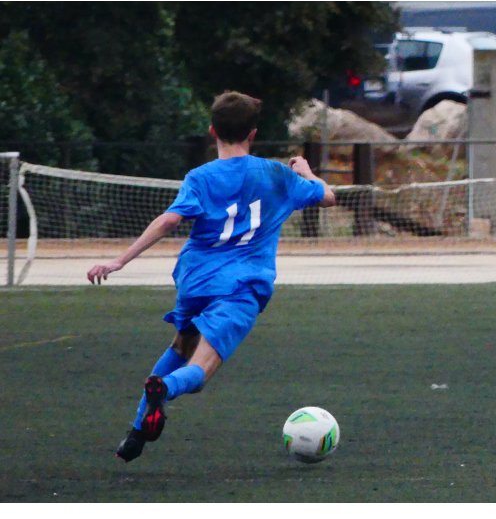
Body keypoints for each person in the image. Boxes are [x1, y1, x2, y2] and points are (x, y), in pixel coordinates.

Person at [87, 91, 336, 462]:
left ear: (211, 131)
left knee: (180, 346)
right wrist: (306, 172)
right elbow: (328, 196)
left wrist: (120, 261)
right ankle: (164, 389)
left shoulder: (200, 177)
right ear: (253, 134)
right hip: (241, 285)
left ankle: (136, 434)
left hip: (195, 279)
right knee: (200, 369)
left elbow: (171, 219)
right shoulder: (277, 175)